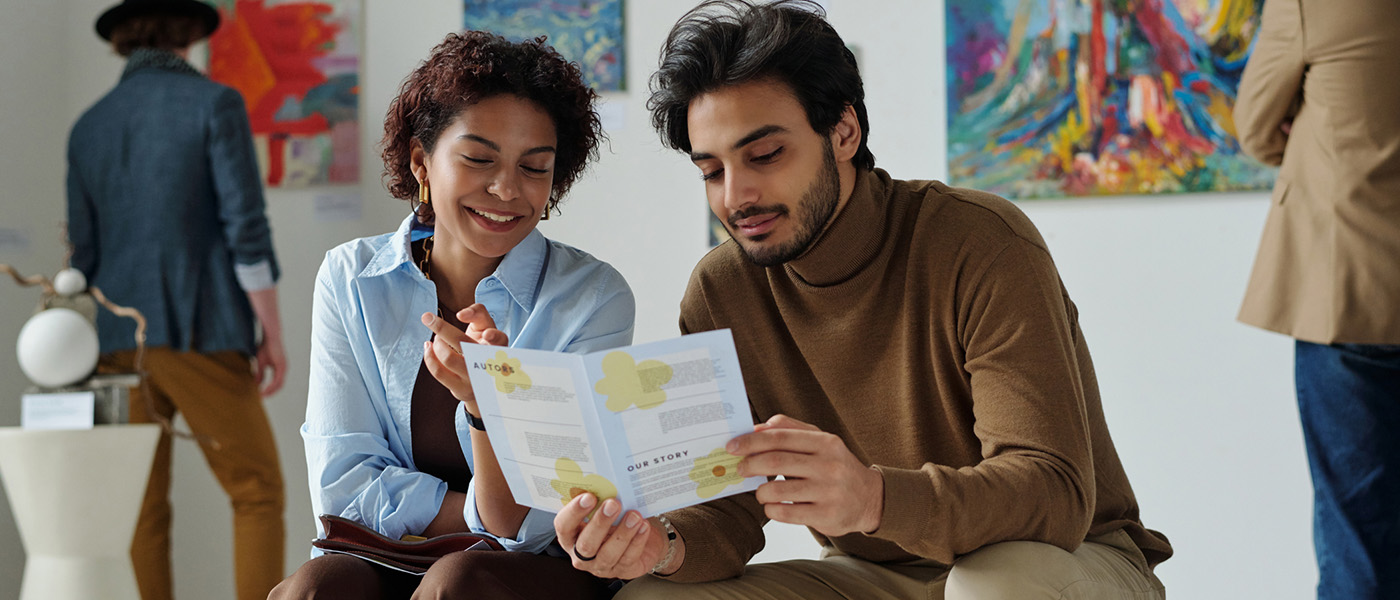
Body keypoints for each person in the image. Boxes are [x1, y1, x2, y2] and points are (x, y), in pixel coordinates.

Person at [552, 2, 1173, 598]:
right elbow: (726, 511)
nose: (736, 196)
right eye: (711, 171)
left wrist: (874, 497)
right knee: (652, 598)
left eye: (765, 154)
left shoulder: (982, 242)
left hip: (1062, 563)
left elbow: (1053, 494)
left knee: (996, 585)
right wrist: (657, 546)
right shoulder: (721, 292)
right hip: (868, 576)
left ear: (843, 131)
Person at [269, 31, 635, 600]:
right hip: (391, 555)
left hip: (538, 571)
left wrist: (487, 406)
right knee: (317, 586)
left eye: (535, 168)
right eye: (478, 159)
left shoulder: (592, 298)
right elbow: (342, 490)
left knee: (457, 582)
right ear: (422, 160)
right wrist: (473, 516)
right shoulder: (350, 277)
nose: (507, 189)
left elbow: (528, 526)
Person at [66, 1, 287, 599]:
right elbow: (246, 230)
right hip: (201, 328)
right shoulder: (214, 103)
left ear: (122, 41)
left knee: (142, 507)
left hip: (115, 343)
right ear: (189, 34)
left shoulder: (89, 126)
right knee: (257, 488)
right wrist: (271, 330)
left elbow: (81, 259)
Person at [1233, 0, 1400, 597]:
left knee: (1358, 536)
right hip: (1348, 305)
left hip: (1347, 295)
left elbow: (1253, 127)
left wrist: (1306, 127)